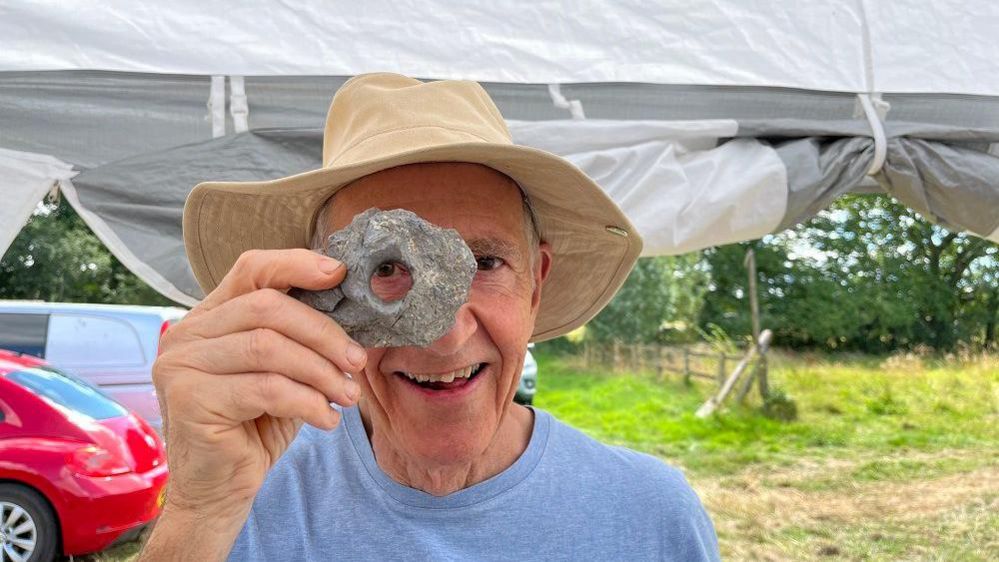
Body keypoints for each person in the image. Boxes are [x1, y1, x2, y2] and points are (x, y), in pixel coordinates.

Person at [139, 73, 720, 561]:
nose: (444, 335)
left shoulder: (651, 519)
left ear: (536, 284)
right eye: (385, 268)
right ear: (317, 294)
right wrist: (199, 513)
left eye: (486, 261)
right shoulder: (245, 503)